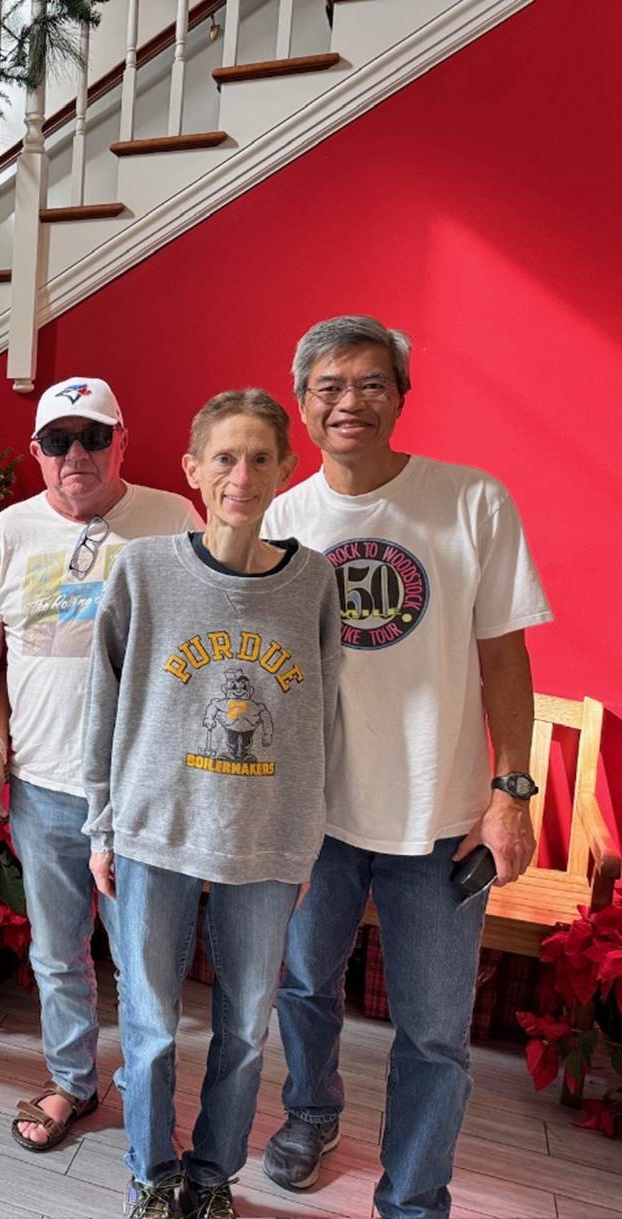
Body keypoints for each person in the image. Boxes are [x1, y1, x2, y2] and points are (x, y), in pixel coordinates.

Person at [260, 316, 552, 1219]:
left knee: (432, 1034)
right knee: (301, 986)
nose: (349, 400)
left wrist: (510, 791)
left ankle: (414, 1198)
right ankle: (309, 1112)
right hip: (317, 818)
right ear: (304, 402)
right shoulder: (282, 514)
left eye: (370, 382)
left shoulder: (471, 502)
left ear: (399, 395)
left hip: (441, 816)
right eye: (329, 386)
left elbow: (504, 659)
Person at [83, 390, 342, 1219]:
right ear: (194, 470)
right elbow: (106, 704)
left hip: (262, 844)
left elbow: (320, 720)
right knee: (151, 1023)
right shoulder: (144, 570)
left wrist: (305, 840)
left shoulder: (312, 583)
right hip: (154, 832)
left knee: (242, 1028)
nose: (241, 474)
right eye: (224, 457)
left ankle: (211, 1175)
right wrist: (101, 825)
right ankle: (152, 1173)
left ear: (284, 471)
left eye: (259, 457)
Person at [0, 376, 201, 1151]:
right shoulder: (10, 531)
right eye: (58, 440)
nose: (76, 454)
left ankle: (145, 1093)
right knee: (56, 953)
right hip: (42, 788)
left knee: (141, 960)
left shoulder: (170, 520)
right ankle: (71, 1081)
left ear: (120, 441)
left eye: (93, 436)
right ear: (36, 453)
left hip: (139, 793)